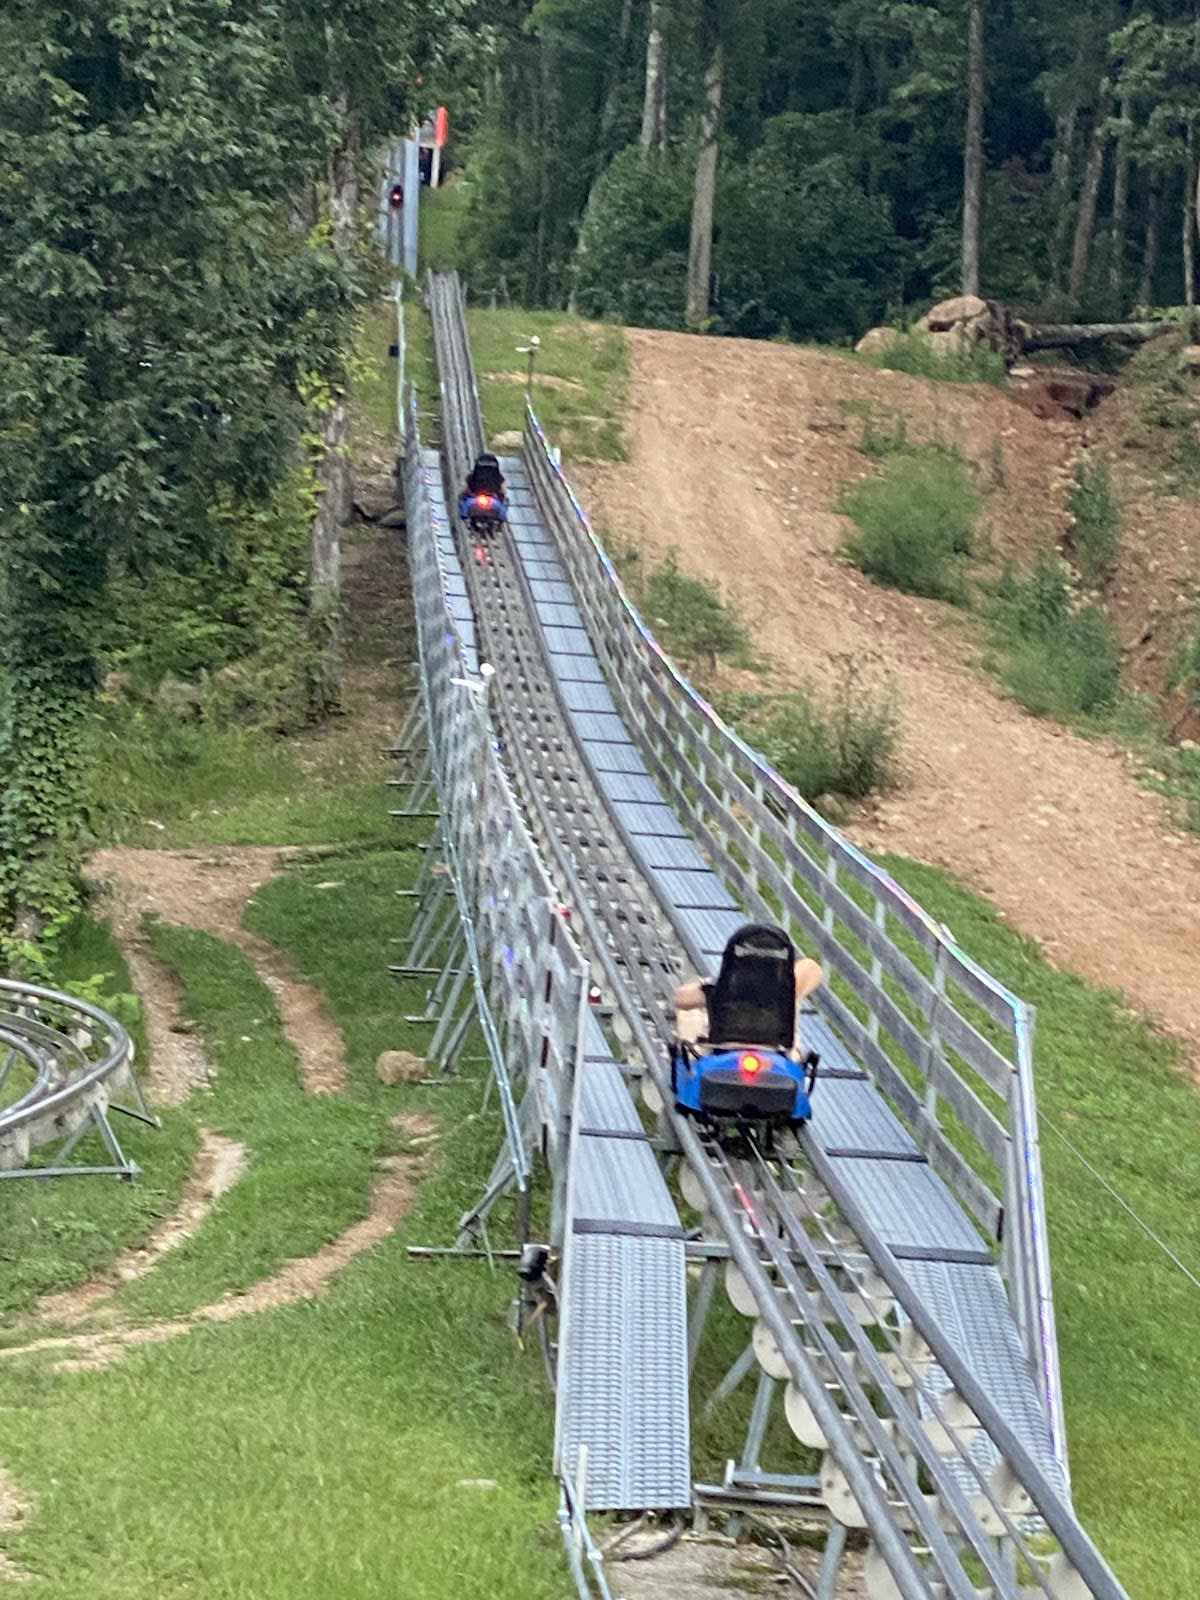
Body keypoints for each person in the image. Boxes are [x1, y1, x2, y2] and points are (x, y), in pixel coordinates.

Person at [674, 922, 822, 1059]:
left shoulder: (721, 990)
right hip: (779, 1058)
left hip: (723, 1057)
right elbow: (813, 968)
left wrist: (715, 988)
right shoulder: (785, 988)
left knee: (691, 1018)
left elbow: (680, 998)